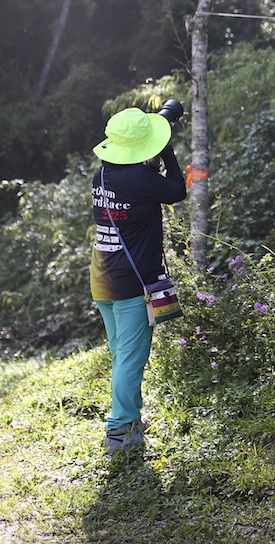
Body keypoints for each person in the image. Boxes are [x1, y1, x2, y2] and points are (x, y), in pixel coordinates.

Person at [90, 105, 187, 453]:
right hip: (131, 284)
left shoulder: (101, 176)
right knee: (131, 358)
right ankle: (119, 432)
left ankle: (129, 418)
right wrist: (168, 152)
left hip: (102, 277)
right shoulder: (140, 180)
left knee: (122, 355)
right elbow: (177, 190)